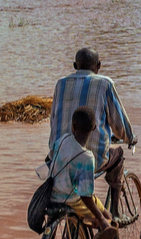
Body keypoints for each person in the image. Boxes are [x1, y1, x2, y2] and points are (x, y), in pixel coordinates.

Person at [49, 49, 136, 227]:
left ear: (75, 66)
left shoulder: (61, 84)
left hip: (58, 157)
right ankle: (116, 213)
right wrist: (130, 138)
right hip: (91, 158)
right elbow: (119, 124)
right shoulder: (105, 83)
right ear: (98, 66)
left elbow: (53, 121)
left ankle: (56, 235)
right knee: (117, 156)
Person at [46, 106, 119, 239]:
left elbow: (50, 158)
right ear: (94, 128)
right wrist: (100, 218)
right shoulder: (87, 157)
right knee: (107, 218)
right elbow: (86, 195)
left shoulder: (62, 140)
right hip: (71, 200)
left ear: (72, 126)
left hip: (52, 194)